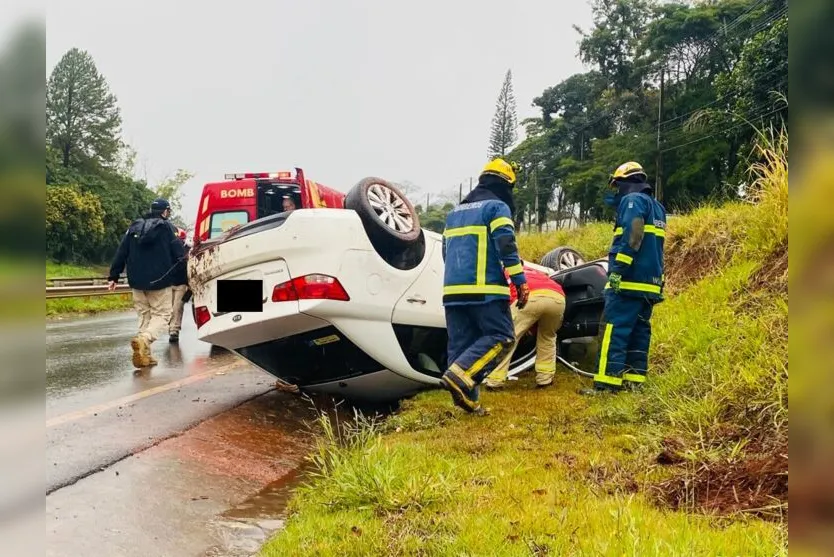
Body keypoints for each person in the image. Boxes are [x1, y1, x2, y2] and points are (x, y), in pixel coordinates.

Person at [440, 158, 529, 413]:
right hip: (485, 290)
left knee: (461, 345)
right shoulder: (496, 207)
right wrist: (519, 281)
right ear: (506, 185)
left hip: (452, 292)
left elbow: (446, 252)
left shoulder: (454, 212)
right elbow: (506, 246)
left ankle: (469, 402)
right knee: (502, 337)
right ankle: (459, 378)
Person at [583, 161, 667, 395]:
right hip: (649, 284)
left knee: (614, 330)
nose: (616, 191)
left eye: (617, 185)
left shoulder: (632, 201)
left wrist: (618, 269)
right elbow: (657, 247)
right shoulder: (657, 207)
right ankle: (634, 382)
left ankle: (606, 384)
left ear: (624, 183)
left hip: (628, 281)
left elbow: (633, 236)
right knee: (640, 332)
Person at [108, 198, 185, 368]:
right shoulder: (167, 228)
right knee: (163, 316)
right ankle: (145, 339)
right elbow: (179, 254)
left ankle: (145, 356)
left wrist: (114, 276)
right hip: (159, 281)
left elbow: (121, 252)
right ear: (165, 211)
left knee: (144, 316)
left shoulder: (133, 228)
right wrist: (185, 274)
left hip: (136, 281)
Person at [485, 262, 566, 390]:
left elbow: (508, 298)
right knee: (548, 337)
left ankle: (494, 381)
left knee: (507, 338)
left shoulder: (504, 274)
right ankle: (545, 380)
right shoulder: (536, 272)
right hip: (558, 297)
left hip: (529, 296)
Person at [168, 228, 190, 344]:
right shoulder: (166, 250)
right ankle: (171, 327)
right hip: (168, 284)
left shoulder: (188, 251)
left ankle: (174, 330)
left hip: (181, 283)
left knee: (177, 307)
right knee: (169, 308)